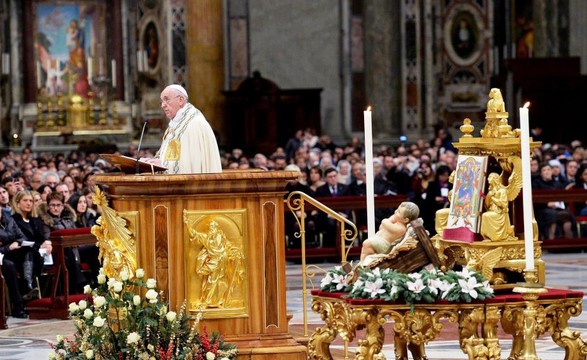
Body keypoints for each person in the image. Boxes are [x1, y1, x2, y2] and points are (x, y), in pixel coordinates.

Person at [142, 84, 222, 174]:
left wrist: (162, 164)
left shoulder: (194, 124)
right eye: (161, 101)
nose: (163, 105)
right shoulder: (176, 125)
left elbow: (194, 164)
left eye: (166, 99)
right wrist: (152, 162)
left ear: (181, 100)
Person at [0, 201, 36, 317]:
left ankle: (28, 286)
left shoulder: (9, 220)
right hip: (2, 255)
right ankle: (18, 306)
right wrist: (7, 247)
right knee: (10, 266)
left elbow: (21, 236)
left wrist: (16, 242)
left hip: (12, 252)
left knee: (29, 251)